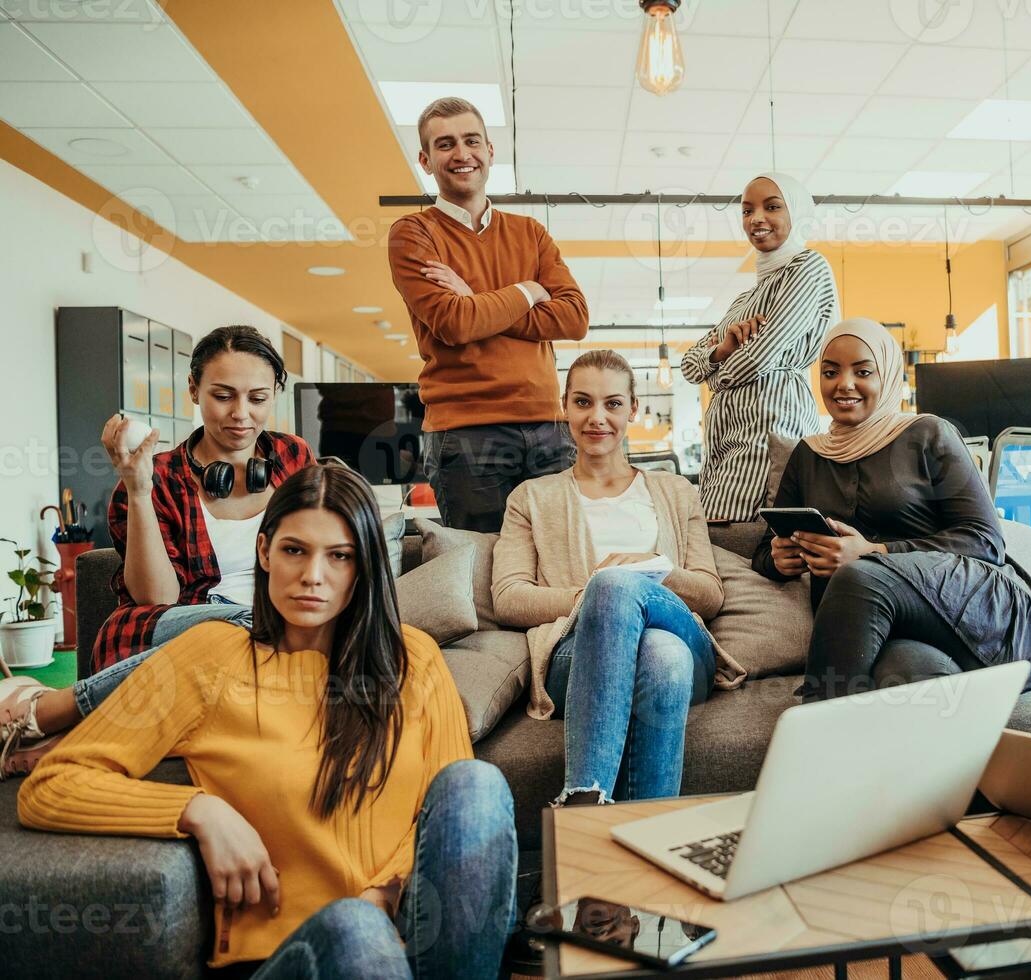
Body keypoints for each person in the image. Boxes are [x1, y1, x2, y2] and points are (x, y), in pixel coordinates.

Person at [16, 463, 517, 977]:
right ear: (264, 553)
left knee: (474, 784)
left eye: (339, 556)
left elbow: (444, 820)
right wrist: (200, 810)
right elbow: (55, 783)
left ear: (363, 568)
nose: (312, 576)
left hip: (414, 939)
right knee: (353, 931)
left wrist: (382, 893)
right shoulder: (210, 658)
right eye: (294, 550)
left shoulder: (412, 658)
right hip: (292, 955)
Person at [0, 326, 313, 777]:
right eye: (223, 396)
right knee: (256, 628)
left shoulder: (291, 457)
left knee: (259, 651)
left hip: (258, 648)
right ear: (194, 390)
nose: (241, 414)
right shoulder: (158, 476)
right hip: (169, 631)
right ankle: (54, 712)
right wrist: (140, 488)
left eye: (258, 398)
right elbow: (154, 599)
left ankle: (68, 736)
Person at [752, 317, 1031, 700]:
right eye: (830, 372)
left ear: (888, 375)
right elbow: (764, 552)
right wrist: (779, 560)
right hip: (881, 629)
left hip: (970, 609)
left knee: (859, 575)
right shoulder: (808, 455)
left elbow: (985, 542)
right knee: (911, 672)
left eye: (862, 371)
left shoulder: (928, 434)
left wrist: (874, 553)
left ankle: (814, 742)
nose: (844, 384)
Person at [492, 349, 746, 804]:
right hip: (576, 656)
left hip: (686, 640)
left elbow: (708, 595)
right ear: (564, 407)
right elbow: (509, 598)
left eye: (612, 404)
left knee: (626, 594)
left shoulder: (676, 491)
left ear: (632, 408)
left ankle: (584, 799)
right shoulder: (530, 498)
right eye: (583, 402)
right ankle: (647, 837)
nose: (597, 418)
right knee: (660, 654)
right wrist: (598, 595)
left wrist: (650, 567)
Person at [388, 96, 589, 533]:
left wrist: (476, 298)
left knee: (562, 561)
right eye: (445, 145)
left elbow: (574, 318)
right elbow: (455, 323)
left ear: (490, 151)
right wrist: (529, 291)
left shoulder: (530, 233)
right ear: (425, 160)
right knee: (483, 574)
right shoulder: (413, 234)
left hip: (548, 427)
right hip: (467, 433)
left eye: (471, 140)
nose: (461, 154)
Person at [680, 172, 838, 522]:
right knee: (714, 532)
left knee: (746, 537)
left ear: (795, 212)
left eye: (772, 207)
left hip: (771, 430)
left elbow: (760, 355)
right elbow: (689, 365)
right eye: (747, 211)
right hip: (724, 440)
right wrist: (722, 350)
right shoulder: (743, 300)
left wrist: (717, 376)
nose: (756, 219)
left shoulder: (808, 267)